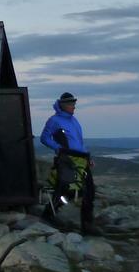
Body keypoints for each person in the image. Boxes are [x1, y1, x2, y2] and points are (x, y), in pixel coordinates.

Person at [40, 92, 98, 234]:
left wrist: (87, 157)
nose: (74, 107)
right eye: (71, 104)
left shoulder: (74, 120)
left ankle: (87, 225)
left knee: (89, 190)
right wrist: (59, 149)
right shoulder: (54, 121)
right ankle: (48, 214)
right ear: (63, 105)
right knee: (66, 189)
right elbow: (44, 138)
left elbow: (79, 142)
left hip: (81, 158)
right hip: (66, 159)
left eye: (74, 104)